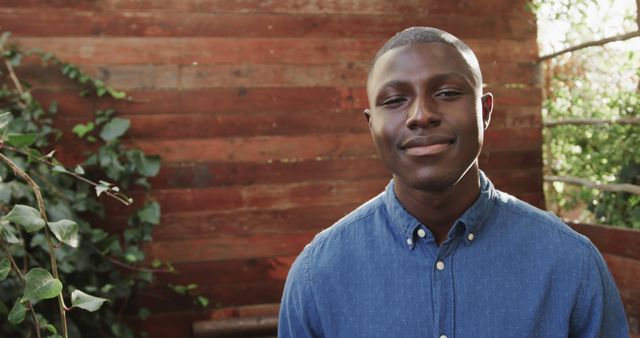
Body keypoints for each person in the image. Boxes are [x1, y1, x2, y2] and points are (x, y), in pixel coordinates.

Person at [278, 27, 629, 338]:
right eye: (395, 100)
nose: (421, 115)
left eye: (446, 93)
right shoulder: (317, 276)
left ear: (485, 111)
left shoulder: (571, 263)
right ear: (371, 124)